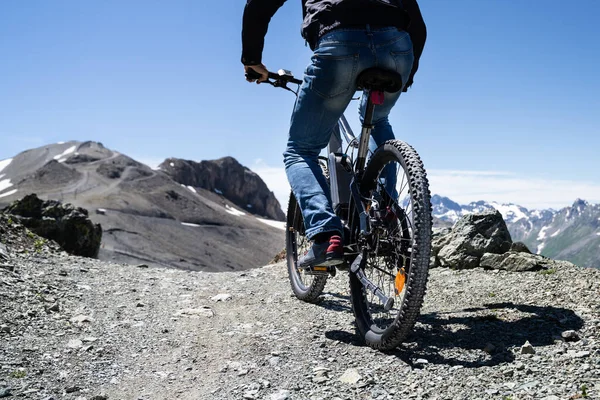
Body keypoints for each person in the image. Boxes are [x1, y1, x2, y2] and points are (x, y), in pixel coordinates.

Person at [242, 0, 426, 269]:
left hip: (339, 41)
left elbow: (259, 4)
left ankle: (327, 236)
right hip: (397, 47)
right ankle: (386, 214)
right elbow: (417, 23)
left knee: (300, 150)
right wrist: (407, 73)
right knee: (376, 117)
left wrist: (252, 60)